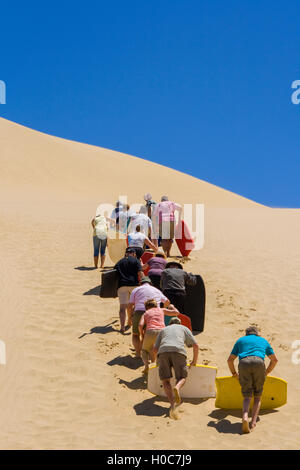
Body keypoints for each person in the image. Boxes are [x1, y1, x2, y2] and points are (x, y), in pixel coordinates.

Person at [227, 325, 278, 433]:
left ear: (246, 333)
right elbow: (274, 360)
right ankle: (253, 421)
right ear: (258, 333)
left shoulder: (240, 340)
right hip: (259, 362)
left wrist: (234, 373)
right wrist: (266, 372)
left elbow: (230, 360)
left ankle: (245, 417)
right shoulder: (263, 340)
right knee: (257, 396)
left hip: (244, 363)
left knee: (247, 396)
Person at [153, 316, 199, 420]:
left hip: (163, 352)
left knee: (165, 381)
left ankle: (173, 405)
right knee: (182, 377)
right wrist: (194, 361)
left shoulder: (163, 330)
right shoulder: (183, 328)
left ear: (169, 324)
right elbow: (195, 345)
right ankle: (177, 387)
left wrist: (158, 361)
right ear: (179, 323)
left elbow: (155, 349)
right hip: (179, 351)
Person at [128, 277, 170, 357]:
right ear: (150, 283)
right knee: (150, 334)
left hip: (139, 311)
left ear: (140, 283)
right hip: (153, 313)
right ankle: (151, 356)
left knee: (136, 334)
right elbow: (167, 301)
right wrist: (161, 310)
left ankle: (138, 353)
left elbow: (130, 306)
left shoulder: (136, 289)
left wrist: (129, 317)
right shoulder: (157, 290)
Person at [138, 299, 179, 375]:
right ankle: (158, 366)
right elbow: (177, 313)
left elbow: (140, 325)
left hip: (150, 331)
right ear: (156, 305)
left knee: (144, 350)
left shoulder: (146, 313)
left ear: (146, 307)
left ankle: (147, 366)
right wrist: (172, 307)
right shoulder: (162, 310)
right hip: (162, 331)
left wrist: (142, 335)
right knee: (160, 351)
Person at [114, 247, 144, 333]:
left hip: (122, 286)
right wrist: (144, 283)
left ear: (126, 253)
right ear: (134, 254)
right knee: (134, 305)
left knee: (122, 307)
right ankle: (131, 320)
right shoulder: (136, 261)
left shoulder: (120, 262)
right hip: (134, 286)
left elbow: (114, 274)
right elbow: (140, 273)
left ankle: (122, 327)